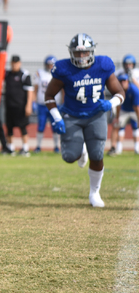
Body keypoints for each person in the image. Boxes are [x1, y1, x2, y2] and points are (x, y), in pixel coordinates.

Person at [44, 33, 124, 208]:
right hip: (71, 115)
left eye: (85, 52)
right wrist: (57, 117)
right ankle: (81, 150)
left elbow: (120, 93)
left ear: (92, 51)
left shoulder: (103, 65)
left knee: (97, 155)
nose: (81, 57)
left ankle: (94, 192)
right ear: (71, 52)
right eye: (77, 53)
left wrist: (110, 104)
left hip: (96, 115)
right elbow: (49, 95)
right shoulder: (63, 68)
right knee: (69, 157)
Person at [4, 55, 34, 156]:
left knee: (23, 127)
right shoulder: (7, 74)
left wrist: (29, 105)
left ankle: (25, 148)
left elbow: (30, 91)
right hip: (9, 105)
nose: (14, 65)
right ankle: (10, 147)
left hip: (21, 106)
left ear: (19, 63)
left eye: (16, 63)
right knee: (9, 127)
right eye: (13, 63)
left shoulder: (24, 75)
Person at [33, 56, 60, 153]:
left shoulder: (59, 74)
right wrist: (33, 101)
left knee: (55, 126)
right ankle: (38, 146)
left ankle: (57, 146)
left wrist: (63, 102)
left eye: (52, 64)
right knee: (41, 126)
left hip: (54, 105)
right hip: (42, 105)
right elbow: (35, 89)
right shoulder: (40, 73)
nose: (50, 66)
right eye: (48, 64)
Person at [108, 74, 139, 155]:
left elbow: (136, 107)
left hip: (134, 110)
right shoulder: (116, 90)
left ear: (127, 81)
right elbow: (118, 105)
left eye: (124, 81)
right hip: (123, 110)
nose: (122, 83)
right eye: (120, 81)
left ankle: (137, 147)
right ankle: (114, 148)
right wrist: (117, 117)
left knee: (136, 127)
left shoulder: (134, 90)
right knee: (116, 125)